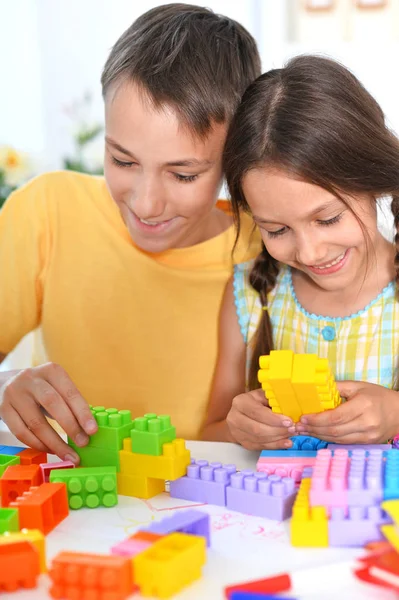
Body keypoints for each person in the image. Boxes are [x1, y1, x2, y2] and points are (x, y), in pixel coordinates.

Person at [0, 3, 261, 462]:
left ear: (234, 161)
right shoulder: (48, 211)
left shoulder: (267, 246)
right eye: (123, 160)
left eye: (182, 175)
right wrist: (6, 384)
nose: (145, 203)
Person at [201, 55, 399, 450]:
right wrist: (238, 429)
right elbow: (210, 433)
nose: (309, 253)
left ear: (373, 181)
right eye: (277, 230)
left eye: (327, 219)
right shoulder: (249, 295)